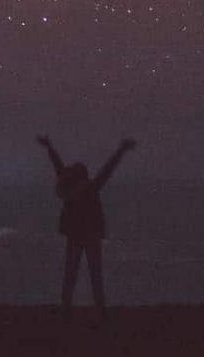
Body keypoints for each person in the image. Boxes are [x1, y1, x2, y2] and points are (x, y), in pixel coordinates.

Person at [36, 132, 136, 324]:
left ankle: (67, 311)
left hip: (77, 235)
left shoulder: (70, 190)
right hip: (91, 235)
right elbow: (108, 169)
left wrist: (49, 147)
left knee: (71, 274)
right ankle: (100, 313)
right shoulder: (92, 187)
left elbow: (58, 166)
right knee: (94, 275)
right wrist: (121, 150)